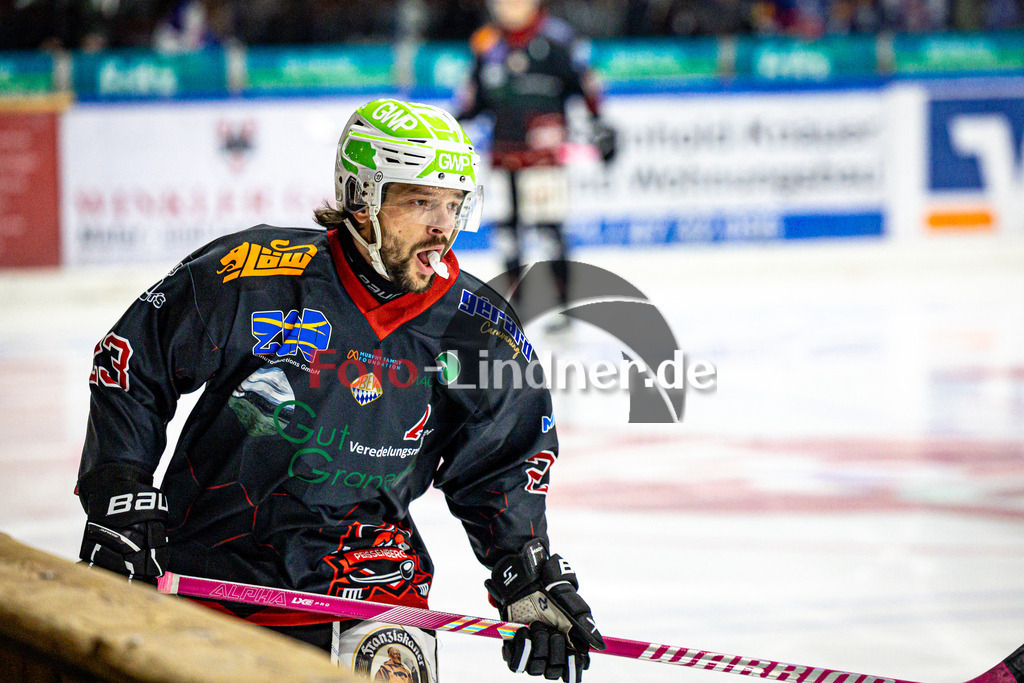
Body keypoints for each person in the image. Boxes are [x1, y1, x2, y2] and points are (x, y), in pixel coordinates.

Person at [76, 98, 604, 682]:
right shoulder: (251, 271)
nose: (443, 226)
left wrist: (525, 574)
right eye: (420, 202)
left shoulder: (480, 327)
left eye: (454, 204)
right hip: (212, 575)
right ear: (360, 200)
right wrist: (120, 489)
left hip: (374, 588)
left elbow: (503, 461)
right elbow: (134, 362)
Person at [455, 0, 616, 329]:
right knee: (507, 234)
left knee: (548, 230)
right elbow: (471, 101)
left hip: (544, 159)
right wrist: (451, 127)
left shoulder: (558, 39)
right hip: (503, 156)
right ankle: (516, 310)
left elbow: (586, 88)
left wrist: (600, 125)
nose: (510, 7)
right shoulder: (487, 43)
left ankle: (561, 307)